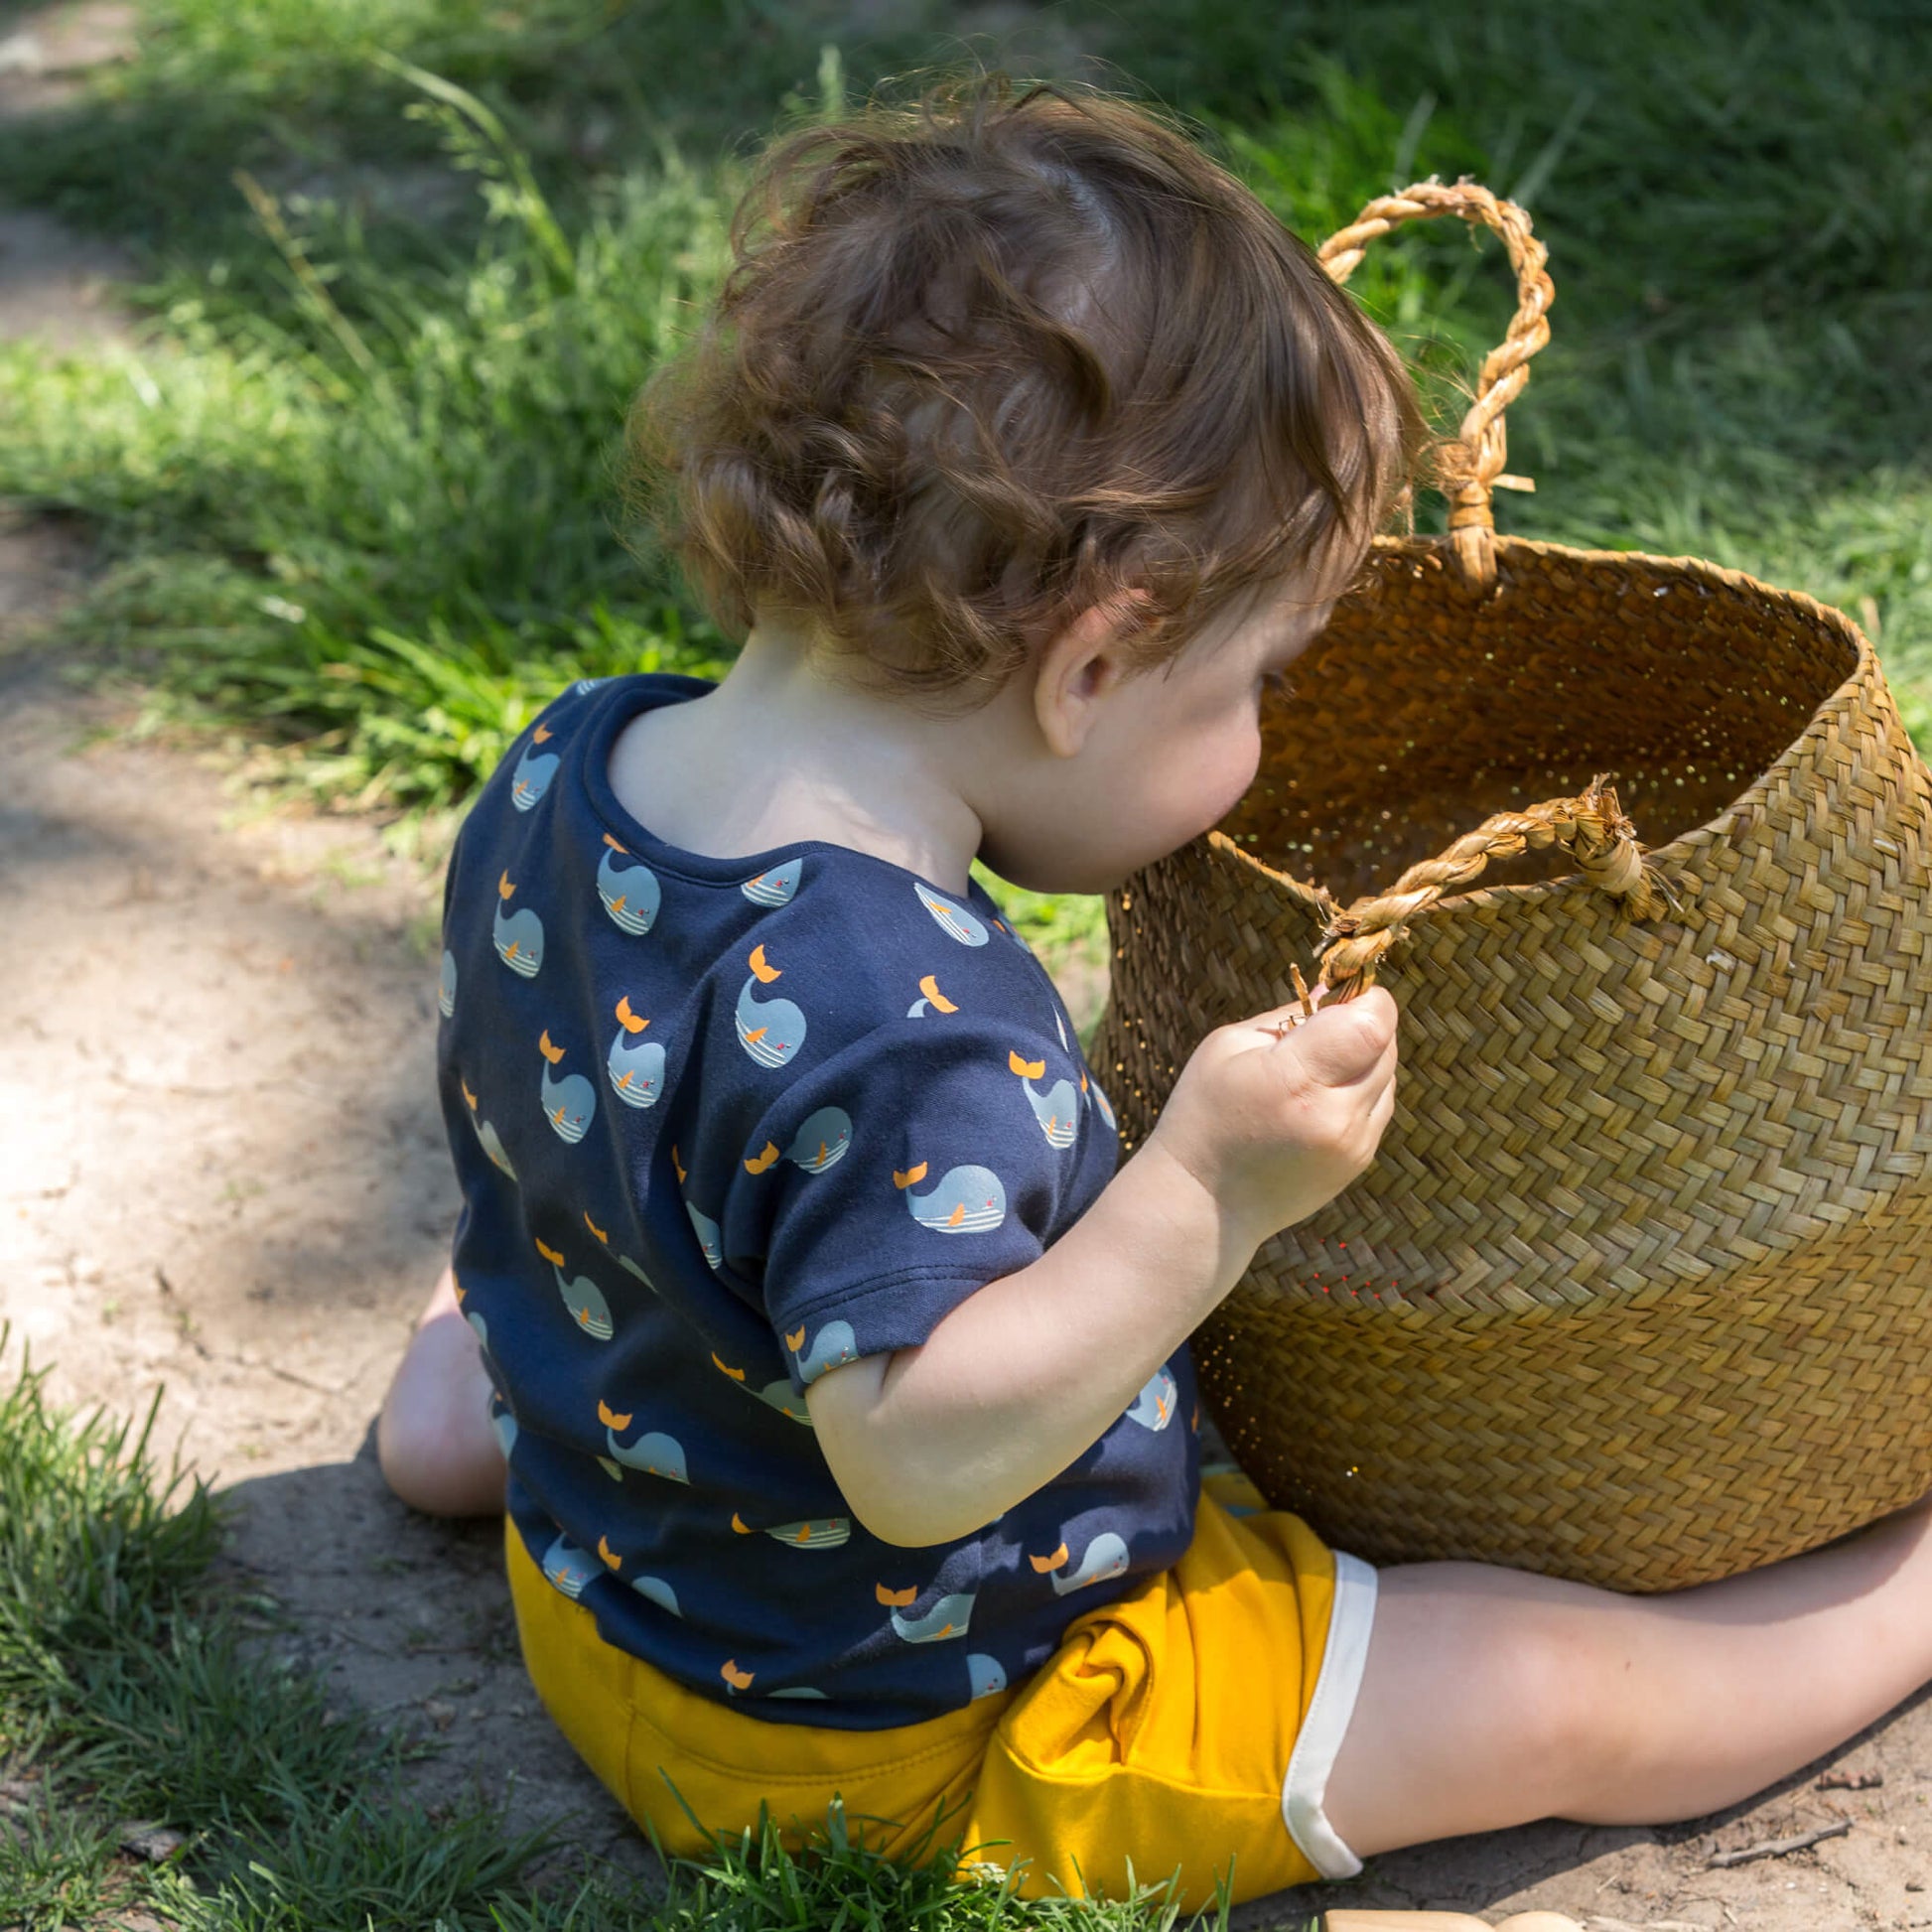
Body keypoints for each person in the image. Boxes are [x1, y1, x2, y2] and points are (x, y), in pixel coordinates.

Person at [378, 73, 1932, 1911]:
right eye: (1257, 682)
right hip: (911, 1725)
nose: (1265, 738)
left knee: (600, 1231)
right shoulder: (902, 1013)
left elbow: (544, 1075)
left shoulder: (576, 763)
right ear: (1093, 663)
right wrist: (1206, 1194)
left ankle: (465, 1421)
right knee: (1553, 1691)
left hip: (608, 1593)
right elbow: (922, 1452)